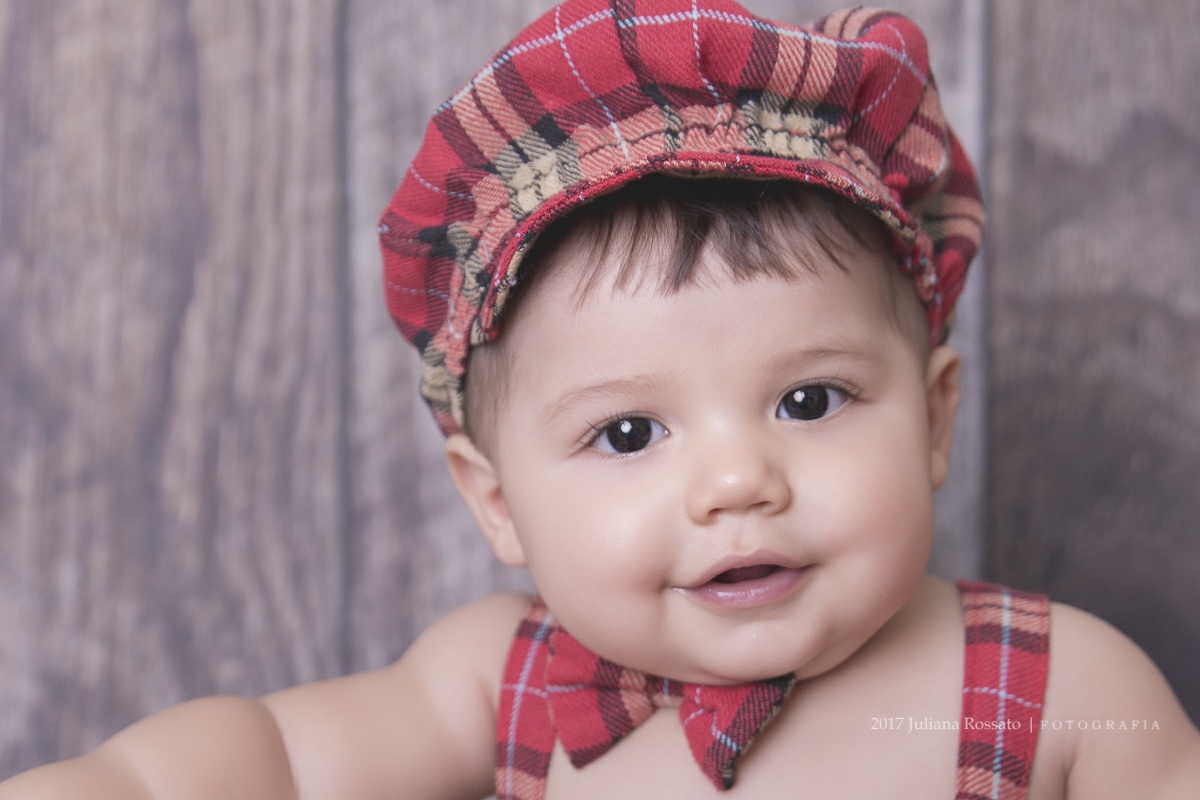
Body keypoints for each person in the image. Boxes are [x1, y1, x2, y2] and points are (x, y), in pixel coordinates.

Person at [3, 1, 1198, 798]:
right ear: (498, 498)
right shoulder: (497, 678)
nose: (738, 481)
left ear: (934, 418)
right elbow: (279, 759)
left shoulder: (1060, 686)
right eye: (629, 431)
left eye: (811, 399)